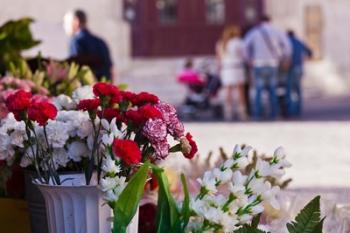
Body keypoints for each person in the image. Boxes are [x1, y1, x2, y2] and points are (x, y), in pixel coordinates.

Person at [244, 15, 291, 120]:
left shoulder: (254, 32)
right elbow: (287, 45)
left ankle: (257, 115)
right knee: (273, 90)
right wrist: (284, 57)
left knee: (258, 90)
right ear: (270, 21)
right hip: (273, 63)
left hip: (258, 64)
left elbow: (245, 46)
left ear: (260, 21)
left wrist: (249, 59)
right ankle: (273, 114)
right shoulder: (277, 31)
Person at [63, 9, 113, 81]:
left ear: (76, 21)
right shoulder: (101, 42)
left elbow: (76, 70)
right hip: (103, 89)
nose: (65, 26)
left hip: (87, 89)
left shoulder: (76, 41)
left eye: (66, 23)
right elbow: (112, 70)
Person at [217, 25, 247, 121]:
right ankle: (242, 112)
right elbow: (244, 55)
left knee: (228, 90)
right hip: (237, 67)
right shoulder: (238, 42)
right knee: (240, 90)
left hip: (226, 68)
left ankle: (228, 112)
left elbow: (219, 58)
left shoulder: (221, 43)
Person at [286, 30, 313, 117]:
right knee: (298, 89)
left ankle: (290, 111)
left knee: (289, 90)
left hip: (289, 69)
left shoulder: (286, 42)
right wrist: (305, 59)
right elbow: (310, 52)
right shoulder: (299, 42)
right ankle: (298, 110)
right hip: (299, 68)